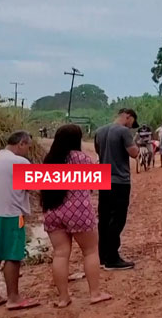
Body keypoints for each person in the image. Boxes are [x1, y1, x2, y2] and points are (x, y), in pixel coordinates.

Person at [41, 124, 112, 308]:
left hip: (53, 212)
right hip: (79, 212)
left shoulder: (49, 160)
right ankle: (95, 293)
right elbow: (96, 185)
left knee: (60, 254)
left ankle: (63, 298)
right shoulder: (82, 159)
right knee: (90, 251)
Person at [0, 131, 40, 311]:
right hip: (11, 214)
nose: (28, 151)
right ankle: (13, 298)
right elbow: (34, 186)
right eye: (28, 146)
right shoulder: (19, 162)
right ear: (21, 143)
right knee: (12, 257)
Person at [94, 108, 139, 271]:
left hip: (103, 178)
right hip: (120, 180)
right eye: (132, 122)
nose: (131, 125)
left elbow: (99, 151)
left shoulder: (99, 131)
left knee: (104, 218)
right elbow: (133, 153)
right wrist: (137, 146)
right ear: (128, 117)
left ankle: (102, 255)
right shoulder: (124, 132)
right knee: (118, 218)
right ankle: (112, 258)